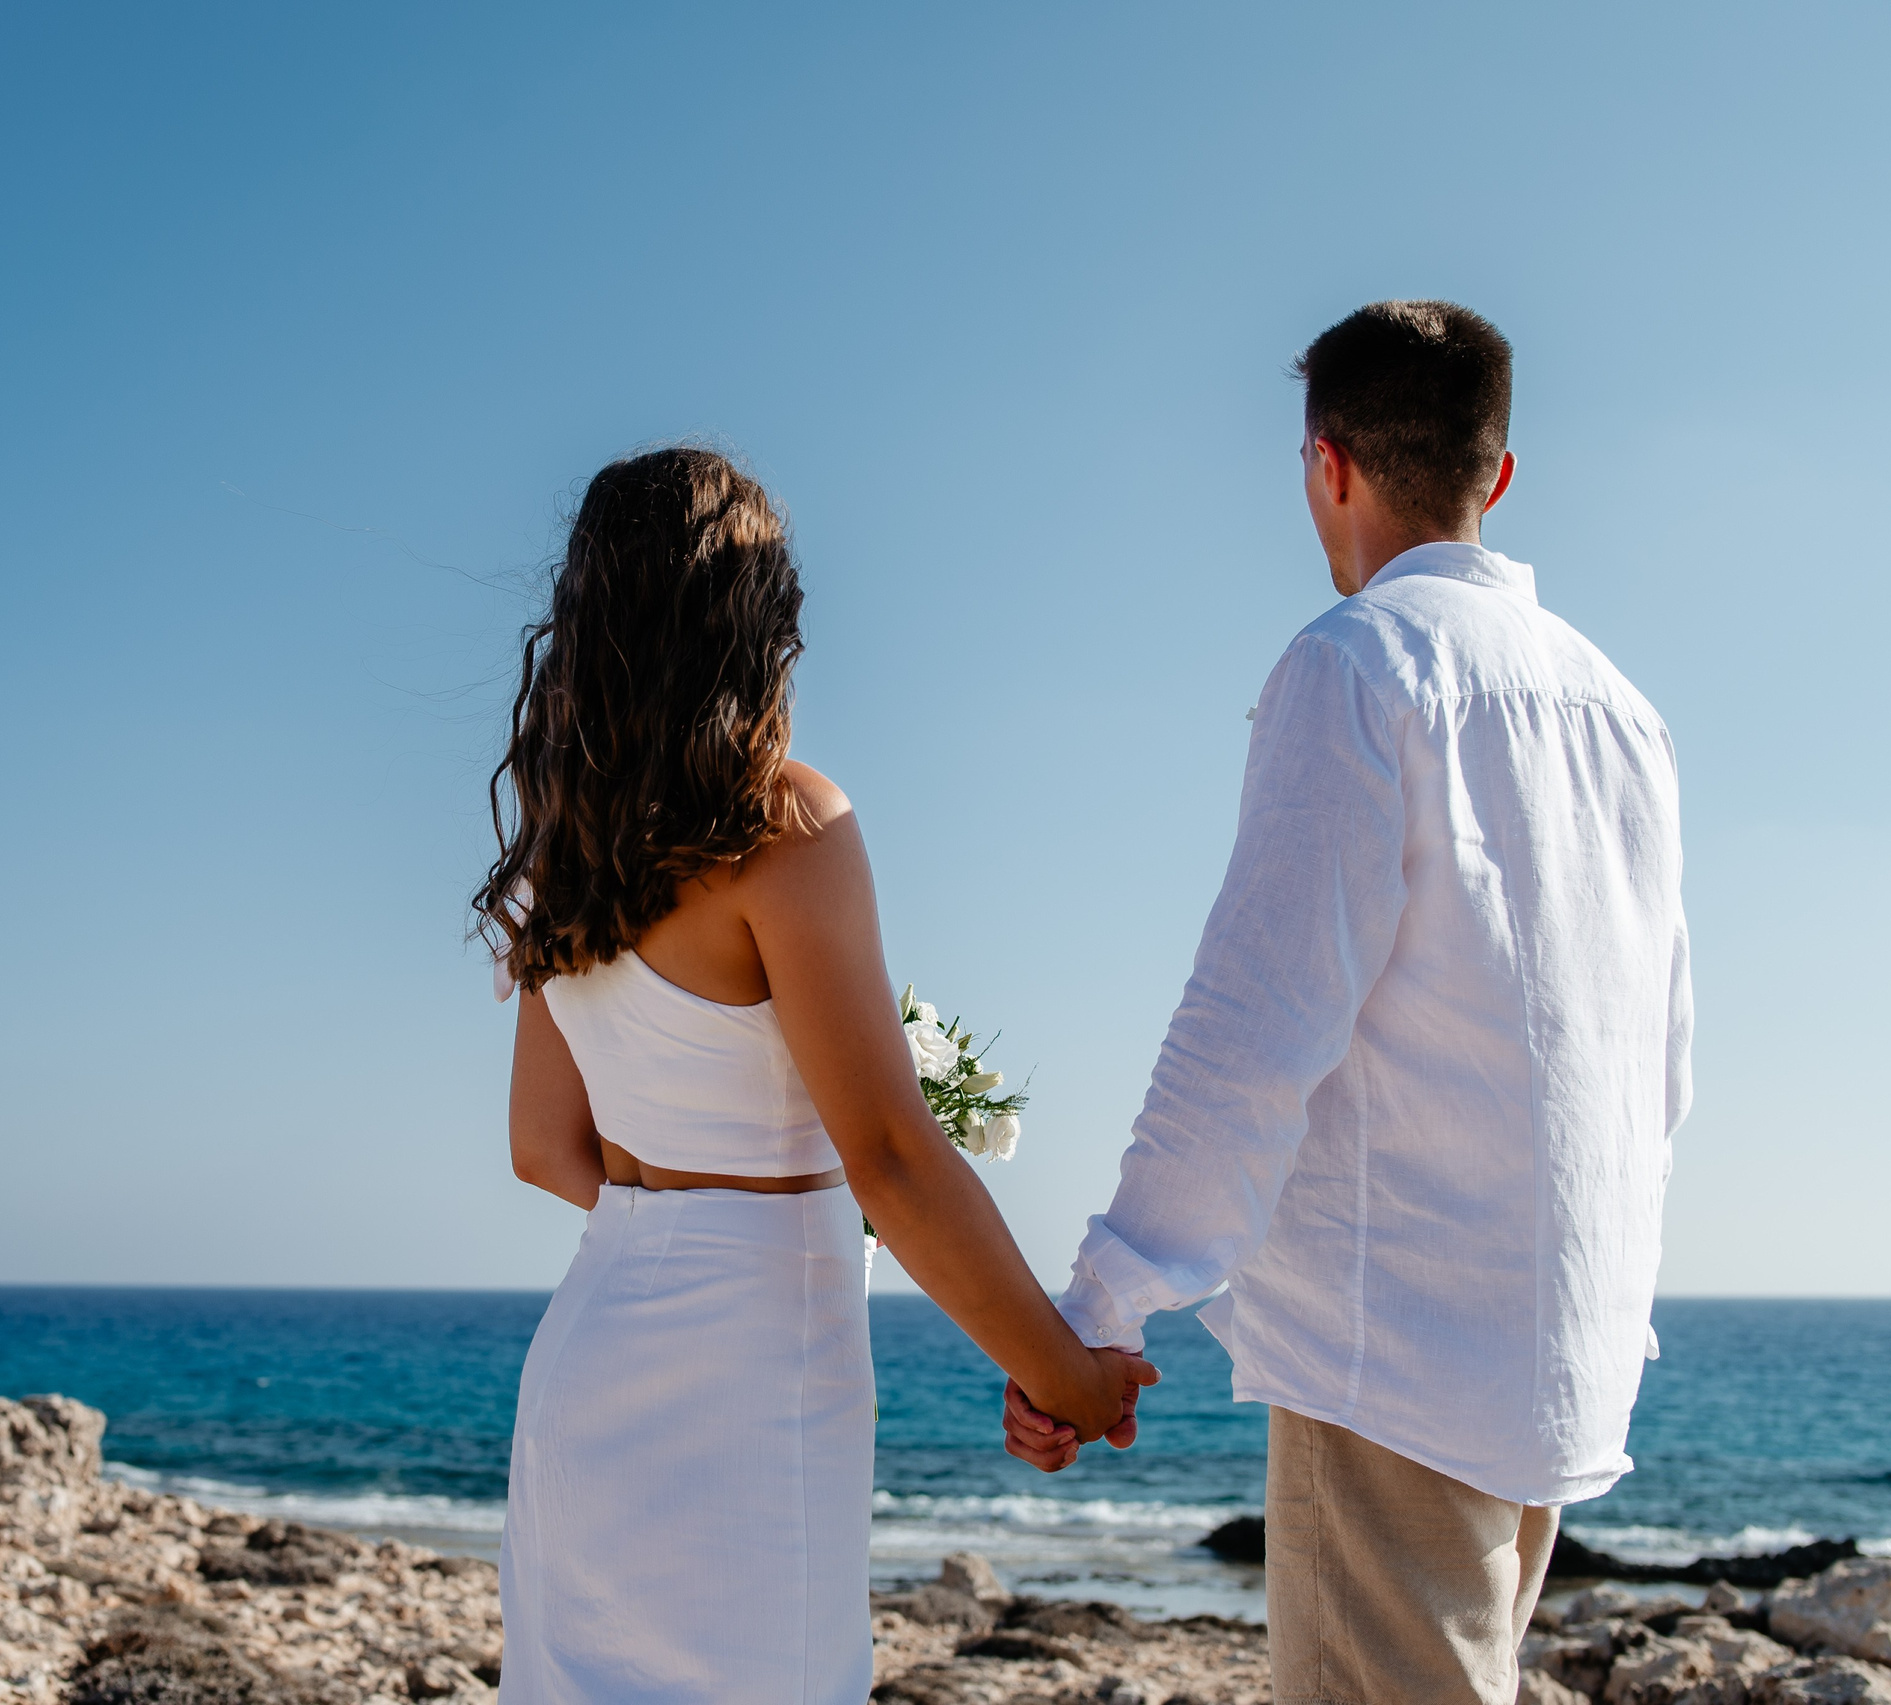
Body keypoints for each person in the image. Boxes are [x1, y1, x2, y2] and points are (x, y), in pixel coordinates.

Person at [1003, 302, 1693, 1705]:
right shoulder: (1625, 711)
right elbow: (1656, 1053)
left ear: (1326, 465)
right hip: (1552, 1354)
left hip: (1399, 1352)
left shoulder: (1357, 662)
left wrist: (1105, 1305)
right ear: (1499, 475)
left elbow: (1255, 1027)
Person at [476, 447, 1157, 1705]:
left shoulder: (563, 851)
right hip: (755, 1367)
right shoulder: (783, 824)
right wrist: (1068, 1377)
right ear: (755, 618)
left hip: (594, 1344)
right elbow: (888, 1155)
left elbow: (542, 1147)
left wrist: (685, 1213)